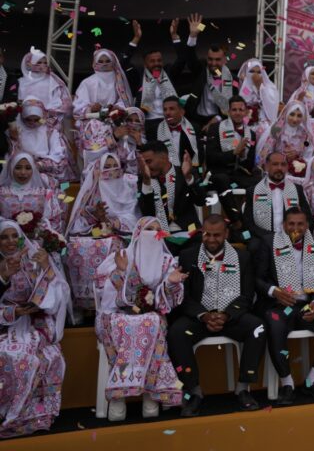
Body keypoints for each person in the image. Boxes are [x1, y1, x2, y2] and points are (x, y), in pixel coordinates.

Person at [94, 217, 187, 421]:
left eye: (157, 230)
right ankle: (119, 396)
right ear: (137, 233)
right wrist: (120, 272)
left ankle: (150, 393)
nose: (153, 233)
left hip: (152, 315)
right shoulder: (122, 257)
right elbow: (107, 296)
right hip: (119, 314)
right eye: (148, 229)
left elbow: (168, 301)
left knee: (151, 323)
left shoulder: (167, 261)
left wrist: (171, 284)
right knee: (131, 325)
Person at [170, 214, 264, 416]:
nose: (211, 239)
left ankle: (243, 388)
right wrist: (203, 315)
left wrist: (227, 315)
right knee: (176, 333)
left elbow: (247, 296)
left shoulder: (242, 257)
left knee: (257, 327)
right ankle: (193, 391)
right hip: (200, 317)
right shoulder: (188, 256)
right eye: (207, 234)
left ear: (226, 234)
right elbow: (183, 297)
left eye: (217, 235)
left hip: (230, 318)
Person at [252, 207, 314, 404]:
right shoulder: (268, 243)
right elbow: (257, 279)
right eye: (291, 224)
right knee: (275, 325)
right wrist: (274, 291)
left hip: (305, 305)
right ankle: (287, 383)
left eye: (300, 224)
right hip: (279, 305)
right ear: (284, 225)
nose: (296, 228)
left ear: (307, 225)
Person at [0, 219, 69, 438]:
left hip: (33, 323)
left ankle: (36, 415)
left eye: (15, 236)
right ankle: (8, 412)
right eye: (4, 237)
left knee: (50, 357)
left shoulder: (32, 261)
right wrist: (3, 278)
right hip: (5, 326)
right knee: (17, 356)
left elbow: (58, 294)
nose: (11, 242)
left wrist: (47, 267)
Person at [64, 153, 140, 312]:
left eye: (115, 166)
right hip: (95, 234)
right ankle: (86, 303)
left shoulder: (127, 187)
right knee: (75, 247)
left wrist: (111, 222)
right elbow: (80, 220)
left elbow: (133, 217)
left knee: (114, 245)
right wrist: (96, 216)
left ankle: (113, 300)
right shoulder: (93, 189)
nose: (111, 171)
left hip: (122, 236)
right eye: (106, 167)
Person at [122, 17, 196, 138]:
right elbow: (123, 63)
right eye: (152, 61)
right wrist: (136, 39)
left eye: (159, 60)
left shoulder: (169, 72)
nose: (156, 63)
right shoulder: (138, 75)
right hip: (147, 124)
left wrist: (175, 36)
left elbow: (182, 59)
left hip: (170, 122)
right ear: (145, 63)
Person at [137, 141, 204, 250]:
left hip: (188, 234)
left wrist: (188, 178)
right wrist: (146, 182)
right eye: (143, 163)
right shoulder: (144, 179)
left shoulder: (184, 172)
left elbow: (201, 200)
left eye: (148, 161)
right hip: (159, 235)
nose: (146, 167)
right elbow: (147, 213)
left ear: (163, 157)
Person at [73, 48, 134, 168]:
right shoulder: (87, 83)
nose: (104, 64)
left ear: (113, 62)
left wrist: (116, 108)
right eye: (100, 61)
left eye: (107, 61)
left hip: (115, 122)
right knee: (95, 159)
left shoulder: (119, 82)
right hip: (93, 126)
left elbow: (125, 103)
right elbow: (77, 108)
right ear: (94, 63)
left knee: (117, 159)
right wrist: (91, 108)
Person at [204, 95, 261, 223]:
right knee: (222, 179)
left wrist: (242, 156)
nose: (237, 113)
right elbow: (210, 158)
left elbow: (249, 165)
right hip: (218, 173)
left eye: (241, 110)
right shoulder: (215, 128)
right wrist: (233, 153)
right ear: (229, 112)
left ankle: (254, 220)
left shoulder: (251, 134)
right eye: (234, 110)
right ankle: (237, 222)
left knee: (260, 181)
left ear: (246, 112)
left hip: (237, 175)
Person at [241, 152, 313, 246]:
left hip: (293, 237)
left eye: (283, 164)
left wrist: (295, 235)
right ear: (266, 167)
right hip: (264, 239)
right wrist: (268, 237)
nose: (279, 168)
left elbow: (308, 217)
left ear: (287, 167)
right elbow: (248, 222)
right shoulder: (253, 191)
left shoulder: (297, 189)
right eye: (275, 164)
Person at [0, 152, 65, 240]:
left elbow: (54, 222)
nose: (23, 172)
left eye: (28, 168)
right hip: (7, 242)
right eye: (18, 168)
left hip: (37, 242)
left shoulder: (45, 194)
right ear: (11, 169)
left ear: (33, 170)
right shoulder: (1, 193)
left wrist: (37, 230)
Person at [256, 100, 314, 176]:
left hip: (296, 171)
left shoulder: (305, 134)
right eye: (292, 114)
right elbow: (267, 152)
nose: (295, 119)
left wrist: (297, 155)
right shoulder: (276, 130)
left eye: (299, 116)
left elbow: (307, 154)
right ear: (286, 114)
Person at [7, 99, 74, 182]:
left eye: (36, 119)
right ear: (22, 117)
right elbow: (11, 156)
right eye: (28, 119)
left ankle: (62, 189)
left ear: (42, 116)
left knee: (62, 185)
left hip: (48, 171)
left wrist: (40, 165)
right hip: (22, 171)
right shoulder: (16, 131)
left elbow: (58, 155)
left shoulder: (50, 129)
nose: (32, 123)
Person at [17, 49, 71, 129]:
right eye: (39, 62)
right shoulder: (21, 82)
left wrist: (42, 116)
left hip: (44, 122)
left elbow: (59, 103)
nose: (43, 65)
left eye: (45, 63)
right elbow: (17, 103)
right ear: (29, 63)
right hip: (23, 124)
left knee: (44, 134)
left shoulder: (52, 81)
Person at [236, 58, 280, 140]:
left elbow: (271, 108)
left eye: (259, 72)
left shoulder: (269, 87)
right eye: (252, 71)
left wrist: (260, 88)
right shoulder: (245, 88)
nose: (255, 75)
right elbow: (244, 101)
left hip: (266, 125)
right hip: (248, 123)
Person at [156, 95, 199, 168]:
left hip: (189, 168)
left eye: (171, 109)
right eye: (165, 109)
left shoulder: (194, 128)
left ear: (182, 112)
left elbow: (199, 154)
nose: (167, 113)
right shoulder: (156, 128)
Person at [115, 107, 146, 176]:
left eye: (137, 121)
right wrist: (115, 137)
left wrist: (139, 143)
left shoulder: (144, 142)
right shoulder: (117, 135)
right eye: (129, 120)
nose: (133, 123)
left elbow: (145, 165)